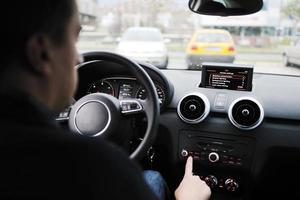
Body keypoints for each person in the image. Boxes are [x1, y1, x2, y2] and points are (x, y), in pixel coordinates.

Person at [0, 0, 211, 200]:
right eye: (74, 41)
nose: (79, 59)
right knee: (152, 178)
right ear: (41, 54)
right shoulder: (100, 168)